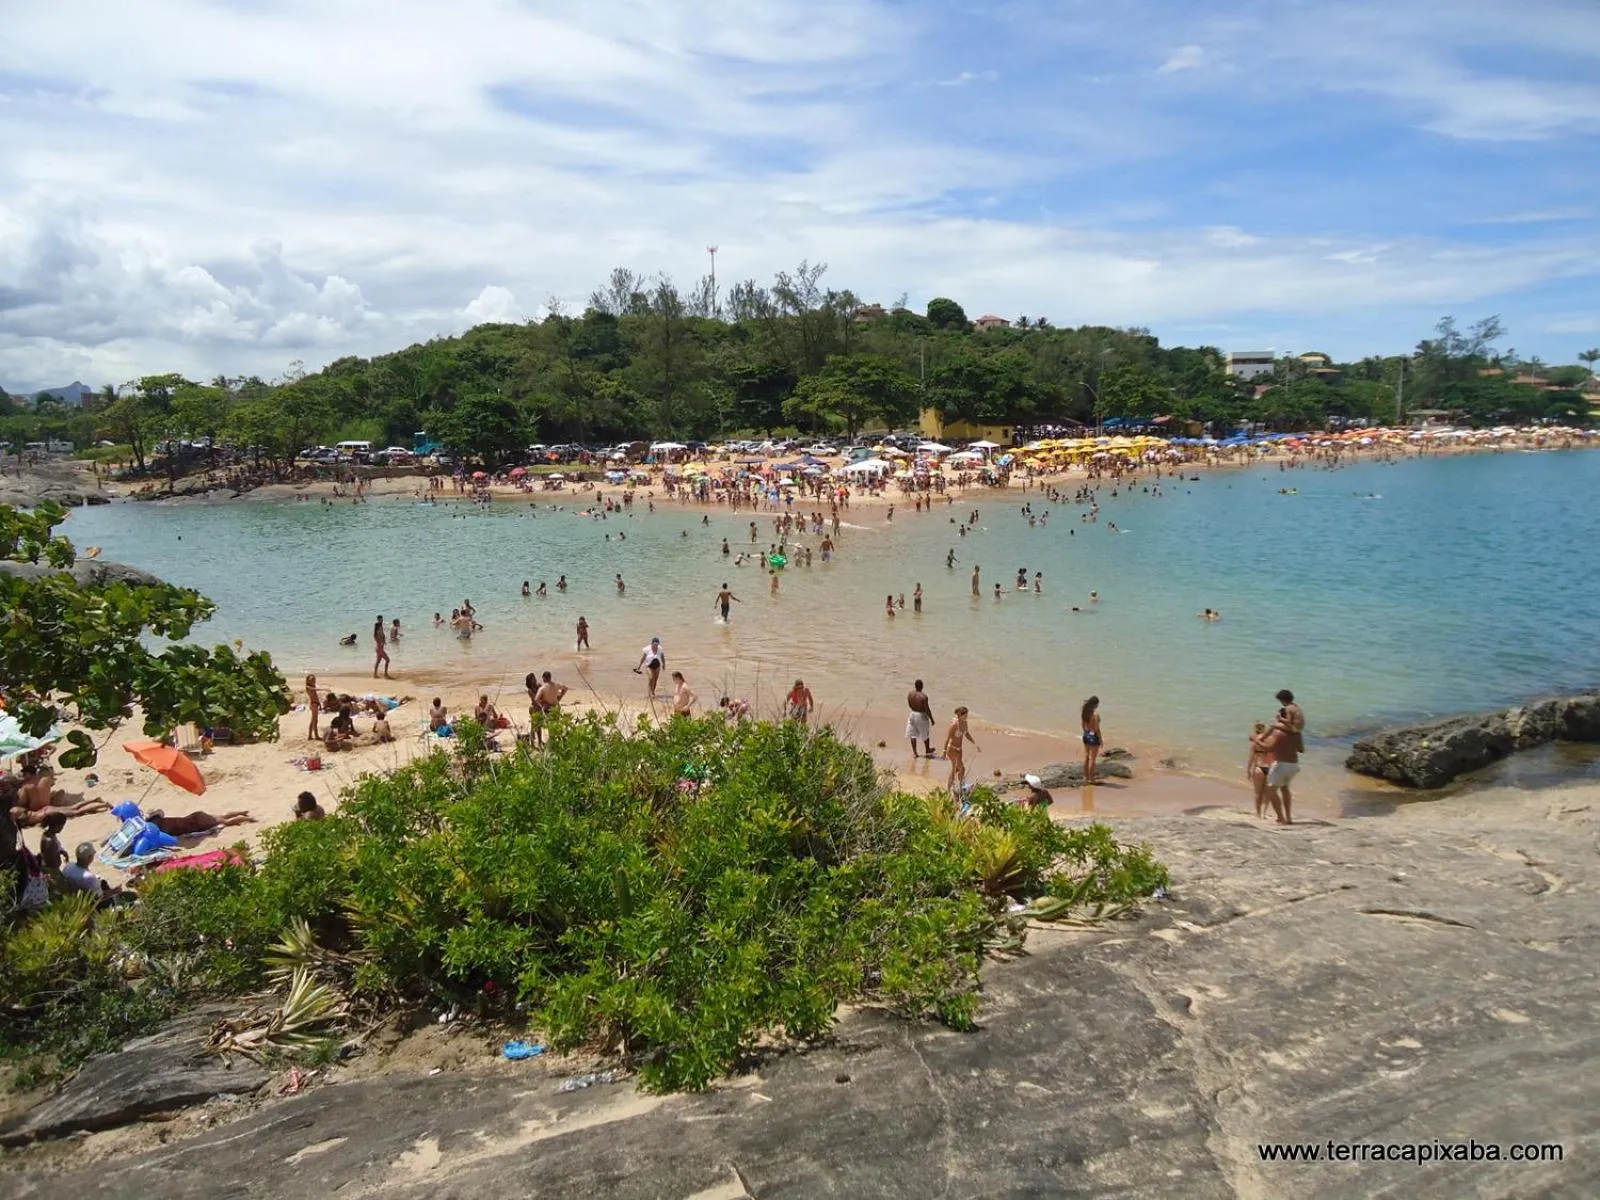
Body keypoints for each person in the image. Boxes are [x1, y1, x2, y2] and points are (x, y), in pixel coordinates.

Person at [943, 706, 980, 796]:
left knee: (959, 769)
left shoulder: (965, 723)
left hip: (959, 750)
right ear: (960, 715)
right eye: (965, 714)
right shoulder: (954, 725)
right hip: (951, 749)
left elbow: (966, 734)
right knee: (958, 769)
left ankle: (959, 787)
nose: (967, 716)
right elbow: (947, 738)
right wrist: (944, 751)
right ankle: (949, 790)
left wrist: (975, 743)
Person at [148, 808, 255, 836]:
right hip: (195, 817)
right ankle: (241, 813)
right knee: (222, 817)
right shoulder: (165, 821)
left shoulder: (163, 828)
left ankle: (246, 819)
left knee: (226, 821)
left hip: (196, 823)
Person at [1246, 721, 1271, 819]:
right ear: (1264, 728)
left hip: (1258, 767)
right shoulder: (1269, 741)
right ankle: (1264, 813)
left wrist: (1248, 771)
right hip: (1269, 767)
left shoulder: (1254, 743)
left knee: (1258, 792)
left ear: (1255, 729)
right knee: (1267, 792)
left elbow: (1251, 758)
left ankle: (1258, 814)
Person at [906, 679, 935, 758]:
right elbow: (927, 709)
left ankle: (915, 753)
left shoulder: (910, 694)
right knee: (925, 734)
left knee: (912, 734)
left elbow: (909, 704)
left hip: (912, 714)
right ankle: (927, 750)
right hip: (921, 715)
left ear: (915, 686)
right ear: (922, 686)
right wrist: (931, 719)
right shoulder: (924, 696)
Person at [1081, 696, 1103, 783]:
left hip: (1086, 735)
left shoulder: (1084, 713)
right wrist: (1100, 739)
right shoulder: (1095, 716)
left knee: (1086, 756)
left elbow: (1083, 725)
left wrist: (1086, 732)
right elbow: (1097, 729)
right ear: (1095, 705)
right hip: (1093, 737)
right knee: (1093, 759)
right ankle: (1092, 778)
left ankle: (1085, 776)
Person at [373, 614, 391, 679]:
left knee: (378, 661)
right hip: (380, 648)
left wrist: (383, 641)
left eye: (382, 619)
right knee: (388, 660)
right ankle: (385, 674)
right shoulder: (377, 626)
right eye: (380, 619)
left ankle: (375, 674)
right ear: (378, 619)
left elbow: (381, 635)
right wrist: (380, 642)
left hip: (379, 648)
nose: (381, 620)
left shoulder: (380, 626)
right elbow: (375, 636)